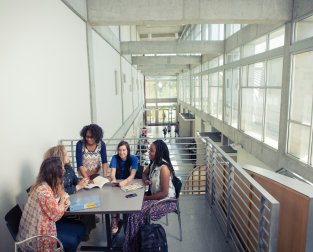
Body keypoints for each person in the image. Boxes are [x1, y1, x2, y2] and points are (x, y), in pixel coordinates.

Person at [17, 157, 85, 252]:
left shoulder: (41, 184)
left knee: (80, 227)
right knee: (74, 236)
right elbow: (56, 215)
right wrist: (63, 200)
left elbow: (52, 205)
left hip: (37, 228)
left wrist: (63, 200)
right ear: (55, 172)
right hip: (37, 237)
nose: (64, 170)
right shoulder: (44, 192)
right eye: (62, 168)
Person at [123, 140, 177, 252]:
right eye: (149, 150)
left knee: (136, 212)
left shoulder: (164, 169)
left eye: (151, 151)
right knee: (131, 210)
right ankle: (136, 241)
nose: (149, 153)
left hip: (167, 201)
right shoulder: (153, 163)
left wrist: (145, 198)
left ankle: (134, 246)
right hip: (155, 196)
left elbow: (164, 193)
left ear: (158, 153)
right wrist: (146, 180)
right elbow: (144, 173)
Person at [44, 145, 97, 241]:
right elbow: (58, 192)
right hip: (62, 206)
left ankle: (89, 227)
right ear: (59, 158)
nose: (68, 156)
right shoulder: (54, 175)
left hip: (70, 198)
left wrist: (82, 182)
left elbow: (75, 180)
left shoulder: (68, 167)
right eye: (66, 154)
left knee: (90, 200)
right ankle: (85, 233)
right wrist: (77, 187)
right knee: (87, 205)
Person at [110, 141, 139, 234]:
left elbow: (133, 175)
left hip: (129, 182)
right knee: (114, 199)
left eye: (124, 150)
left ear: (128, 150)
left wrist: (125, 182)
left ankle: (128, 222)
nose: (121, 152)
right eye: (119, 150)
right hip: (118, 183)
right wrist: (114, 180)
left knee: (128, 202)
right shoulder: (114, 158)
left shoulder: (133, 159)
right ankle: (115, 220)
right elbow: (112, 173)